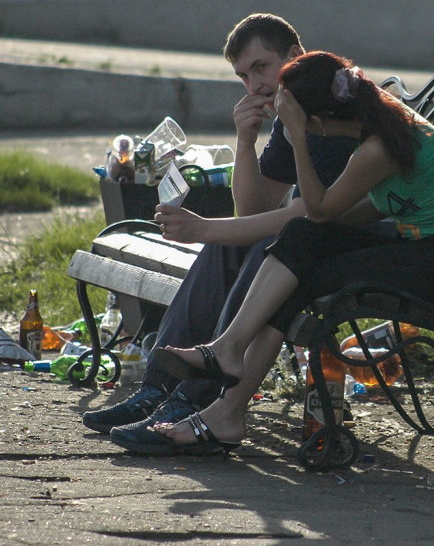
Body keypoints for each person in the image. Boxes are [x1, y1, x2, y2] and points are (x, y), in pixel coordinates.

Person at [146, 51, 434, 454]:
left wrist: (297, 139)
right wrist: (311, 235)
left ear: (320, 122)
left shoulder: (377, 147)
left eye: (304, 124)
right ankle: (227, 374)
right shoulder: (383, 124)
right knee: (302, 241)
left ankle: (227, 384)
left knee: (303, 263)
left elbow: (320, 209)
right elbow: (339, 217)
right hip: (427, 248)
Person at [81, 14, 358, 454]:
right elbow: (254, 209)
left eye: (261, 67)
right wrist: (245, 142)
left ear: (294, 56)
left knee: (260, 244)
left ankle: (191, 403)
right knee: (228, 243)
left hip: (359, 247)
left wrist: (205, 227)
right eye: (243, 76)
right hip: (311, 242)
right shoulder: (289, 114)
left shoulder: (336, 109)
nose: (254, 85)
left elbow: (312, 216)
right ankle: (159, 388)